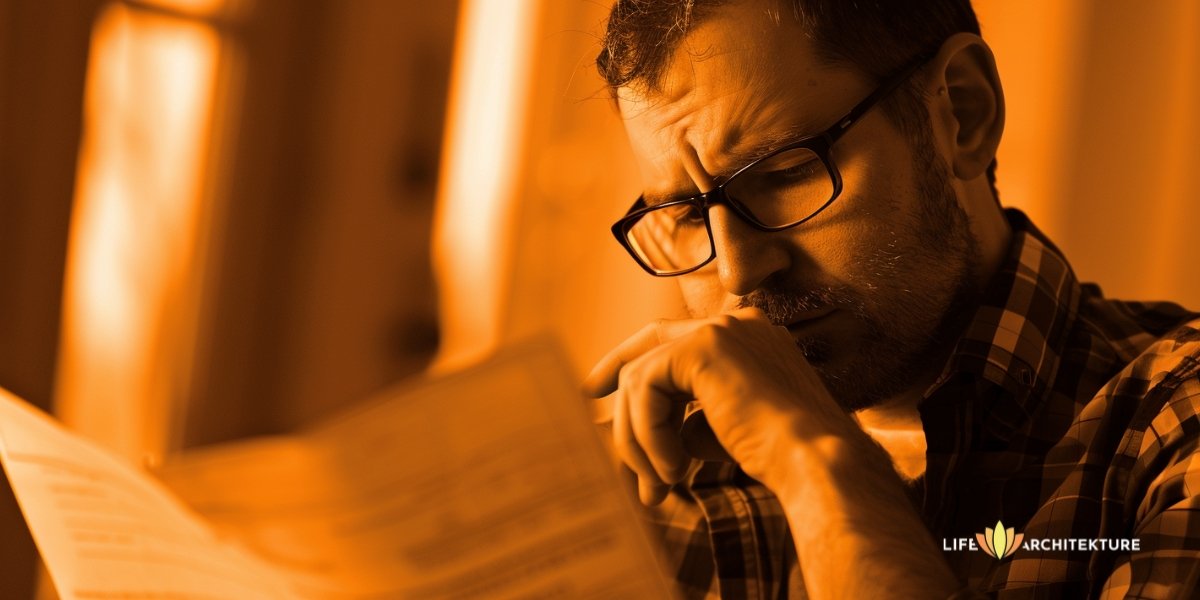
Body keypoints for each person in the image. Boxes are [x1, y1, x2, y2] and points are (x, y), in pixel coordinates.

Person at [580, 0, 1200, 598]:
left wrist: (814, 462)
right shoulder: (645, 492)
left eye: (785, 173)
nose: (740, 272)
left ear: (962, 112)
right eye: (687, 214)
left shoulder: (1175, 427)